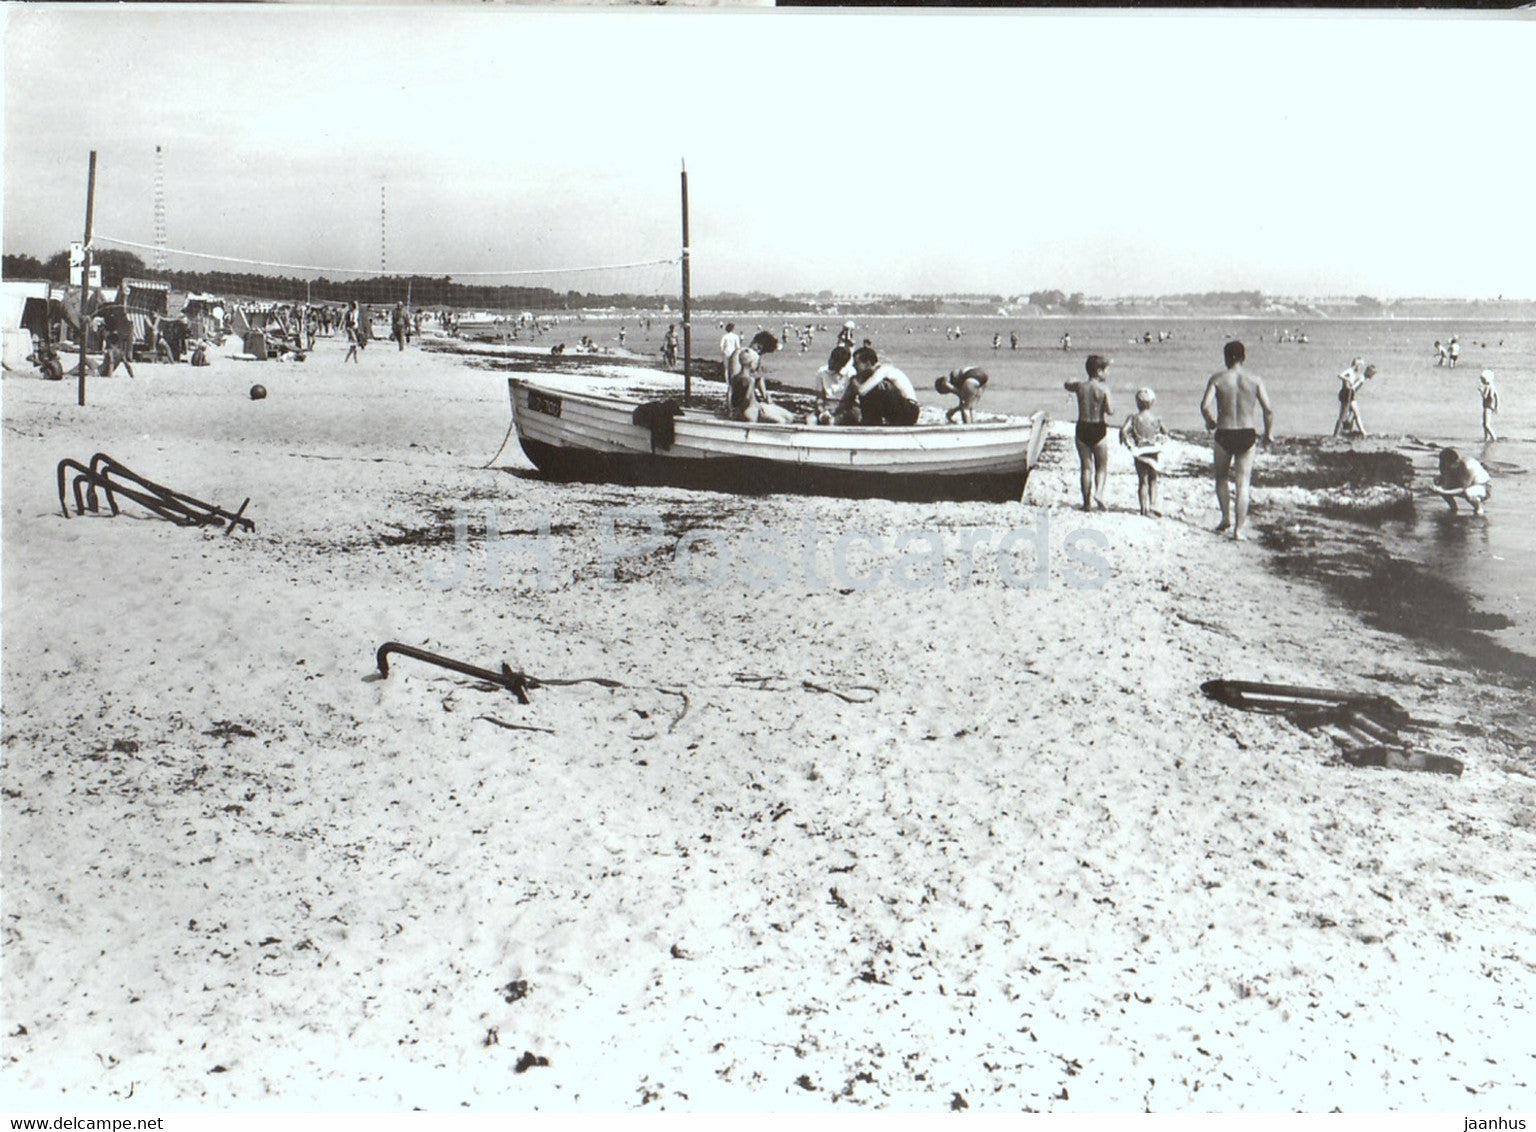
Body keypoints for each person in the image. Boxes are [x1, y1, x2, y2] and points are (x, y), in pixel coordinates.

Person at [1199, 340, 1275, 541]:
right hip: (1246, 433)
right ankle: (1239, 530)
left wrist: (1210, 422)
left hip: (1224, 432)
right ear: (1243, 357)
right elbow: (1268, 409)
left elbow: (1205, 405)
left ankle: (1225, 518)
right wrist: (1268, 433)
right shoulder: (1255, 379)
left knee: (1221, 478)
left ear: (1225, 357)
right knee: (1243, 484)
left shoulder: (1217, 378)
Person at [1064, 354, 1114, 511]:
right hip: (1098, 428)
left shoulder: (1080, 387)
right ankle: (1099, 493)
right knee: (1101, 466)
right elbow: (1110, 411)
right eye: (1105, 371)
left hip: (1082, 428)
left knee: (1086, 467)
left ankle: (1086, 503)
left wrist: (1071, 380)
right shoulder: (1104, 389)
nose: (1107, 374)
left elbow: (1067, 385)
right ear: (1099, 371)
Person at [1120, 387, 1169, 517]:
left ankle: (1143, 509)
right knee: (1153, 479)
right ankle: (1153, 505)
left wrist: (1125, 441)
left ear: (1137, 402)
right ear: (1153, 403)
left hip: (1139, 451)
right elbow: (1165, 432)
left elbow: (1124, 430)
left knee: (1143, 480)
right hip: (1153, 451)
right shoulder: (1156, 419)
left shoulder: (1133, 417)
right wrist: (1160, 439)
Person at [846, 346, 920, 426]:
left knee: (874, 389)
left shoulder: (883, 370)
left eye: (856, 363)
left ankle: (871, 423)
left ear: (868, 363)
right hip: (901, 409)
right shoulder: (875, 374)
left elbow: (861, 391)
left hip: (909, 411)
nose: (853, 366)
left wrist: (853, 379)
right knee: (870, 389)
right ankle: (871, 422)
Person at [727, 346, 794, 424]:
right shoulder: (750, 380)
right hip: (751, 410)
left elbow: (731, 395)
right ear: (752, 363)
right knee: (781, 421)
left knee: (783, 418)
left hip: (745, 410)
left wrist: (733, 410)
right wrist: (757, 405)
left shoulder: (735, 378)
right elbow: (747, 398)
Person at [1432, 447, 1492, 515]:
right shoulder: (1445, 466)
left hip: (1482, 487)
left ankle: (1478, 509)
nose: (1443, 466)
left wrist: (1441, 490)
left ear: (1455, 462)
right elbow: (1444, 480)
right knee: (1439, 482)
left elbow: (1463, 489)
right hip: (1461, 483)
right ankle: (1453, 508)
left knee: (1468, 492)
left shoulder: (1467, 466)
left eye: (1446, 464)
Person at [814, 345, 857, 425]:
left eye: (834, 362)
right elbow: (819, 396)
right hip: (826, 405)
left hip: (843, 407)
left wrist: (835, 411)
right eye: (830, 359)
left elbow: (849, 399)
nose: (830, 363)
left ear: (842, 364)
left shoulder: (851, 374)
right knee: (811, 420)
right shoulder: (822, 372)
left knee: (832, 422)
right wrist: (821, 409)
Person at [1479, 369, 1500, 441]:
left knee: (1486, 424)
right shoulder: (1492, 386)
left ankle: (1493, 437)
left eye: (1482, 380)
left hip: (1486, 407)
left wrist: (1480, 391)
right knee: (1485, 423)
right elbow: (1496, 396)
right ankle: (1486, 438)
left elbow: (1484, 396)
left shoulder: (1487, 386)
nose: (1482, 382)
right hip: (1490, 407)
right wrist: (1497, 406)